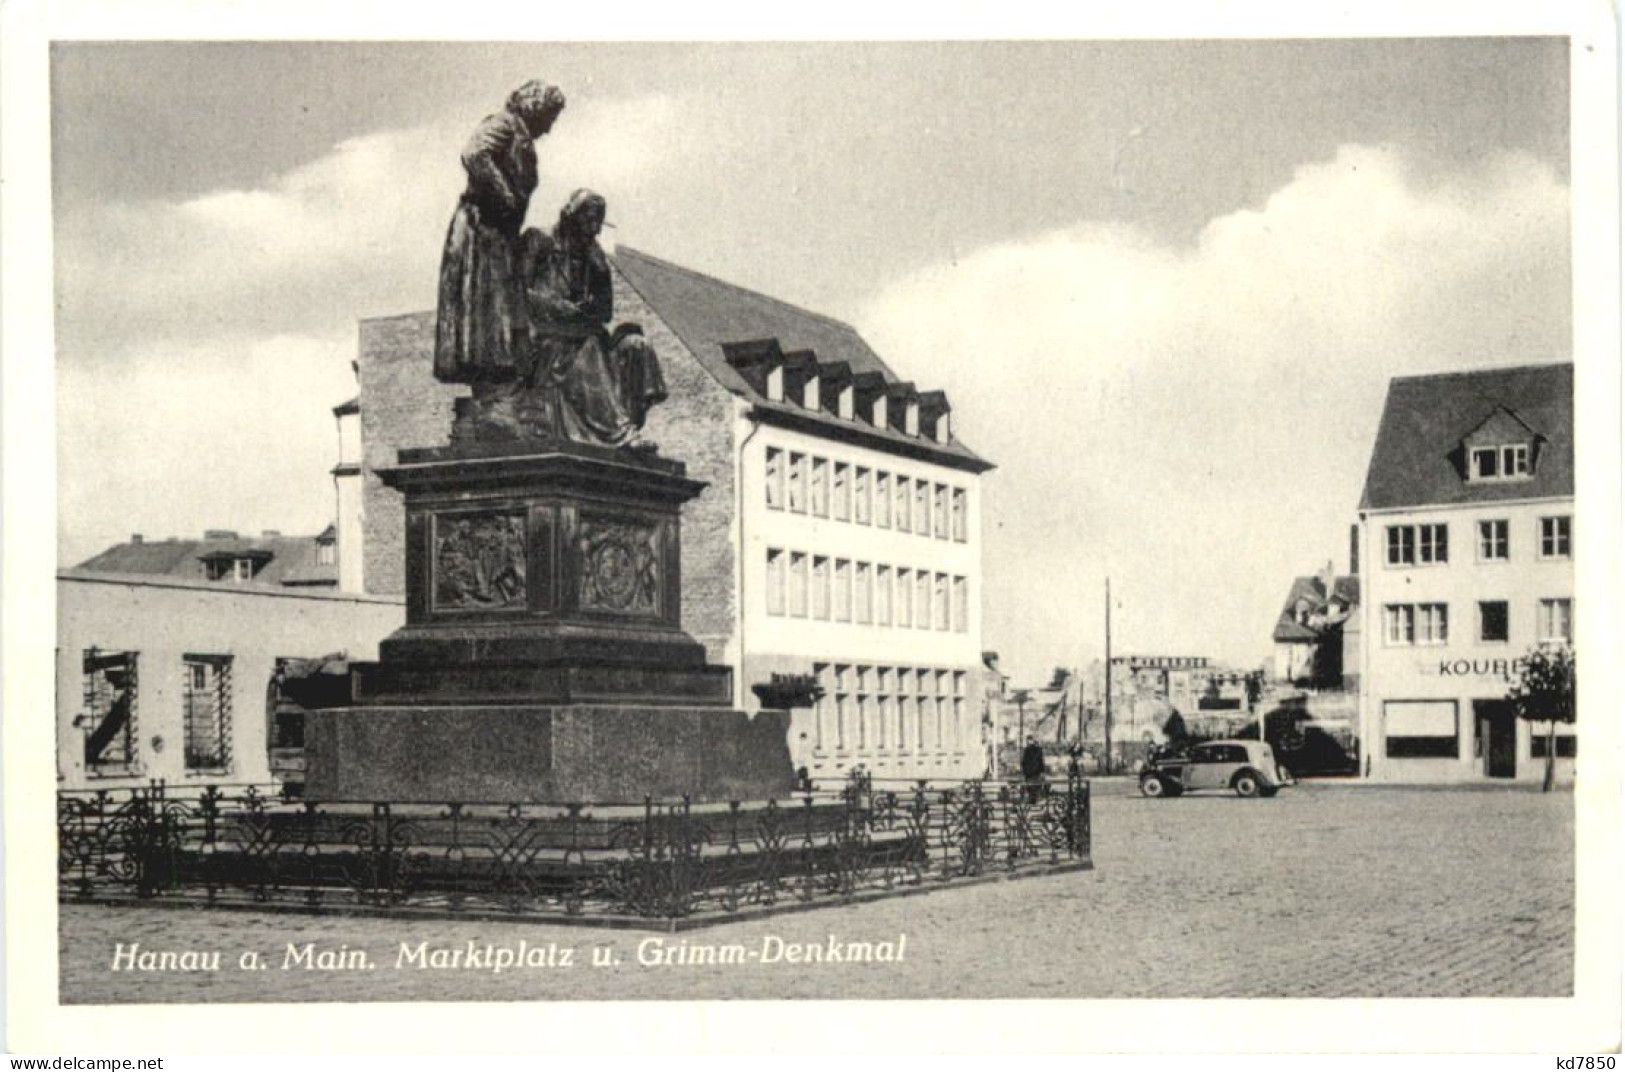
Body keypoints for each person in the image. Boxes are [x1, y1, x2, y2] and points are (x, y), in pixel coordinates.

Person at [434, 80, 567, 384]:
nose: (549, 128)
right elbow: (474, 154)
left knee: (497, 311)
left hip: (499, 235)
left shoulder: (520, 135)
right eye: (550, 118)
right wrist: (505, 196)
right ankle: (490, 389)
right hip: (481, 229)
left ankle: (497, 386)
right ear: (536, 108)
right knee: (484, 309)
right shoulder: (504, 124)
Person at [516, 189, 668, 447]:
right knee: (589, 346)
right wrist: (557, 306)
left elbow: (605, 312)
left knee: (635, 346)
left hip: (582, 333)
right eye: (589, 222)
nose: (595, 230)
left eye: (598, 223)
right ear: (570, 217)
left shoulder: (593, 254)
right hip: (544, 341)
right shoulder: (538, 240)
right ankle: (620, 433)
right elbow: (516, 291)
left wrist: (592, 297)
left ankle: (626, 425)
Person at [1020, 735, 1047, 803]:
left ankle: (1033, 799)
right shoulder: (1037, 749)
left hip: (1031, 772)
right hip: (1034, 771)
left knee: (1031, 786)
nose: (1028, 742)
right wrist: (1042, 771)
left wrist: (1024, 769)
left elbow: (1024, 761)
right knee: (1034, 786)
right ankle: (1033, 799)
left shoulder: (1028, 749)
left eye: (1029, 740)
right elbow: (1041, 761)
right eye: (1028, 740)